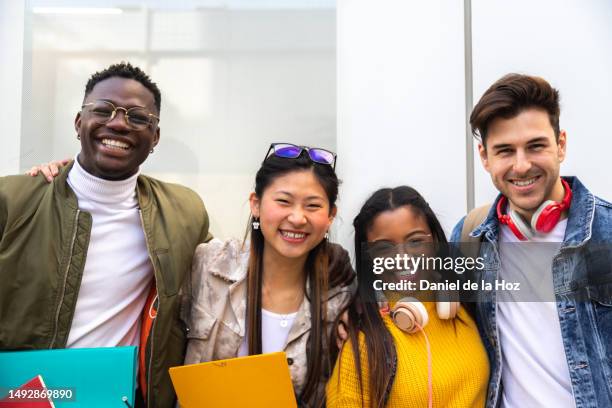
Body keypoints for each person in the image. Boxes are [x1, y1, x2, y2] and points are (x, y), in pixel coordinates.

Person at [0, 62, 211, 407]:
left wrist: (330, 273)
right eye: (103, 110)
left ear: (155, 136)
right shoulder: (14, 201)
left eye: (138, 117)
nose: (118, 122)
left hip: (117, 397)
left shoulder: (180, 213)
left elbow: (229, 275)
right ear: (79, 122)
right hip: (21, 396)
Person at [451, 74, 612, 407]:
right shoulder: (470, 237)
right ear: (485, 157)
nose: (521, 166)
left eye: (536, 146)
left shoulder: (607, 232)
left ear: (561, 145)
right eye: (505, 151)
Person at [182, 143, 355, 407]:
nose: (297, 218)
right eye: (284, 201)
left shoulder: (340, 295)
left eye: (313, 206)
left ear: (330, 215)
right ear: (256, 204)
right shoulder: (208, 265)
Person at [326, 186, 489, 407]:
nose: (402, 257)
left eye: (415, 241)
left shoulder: (465, 305)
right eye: (384, 247)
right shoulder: (363, 340)